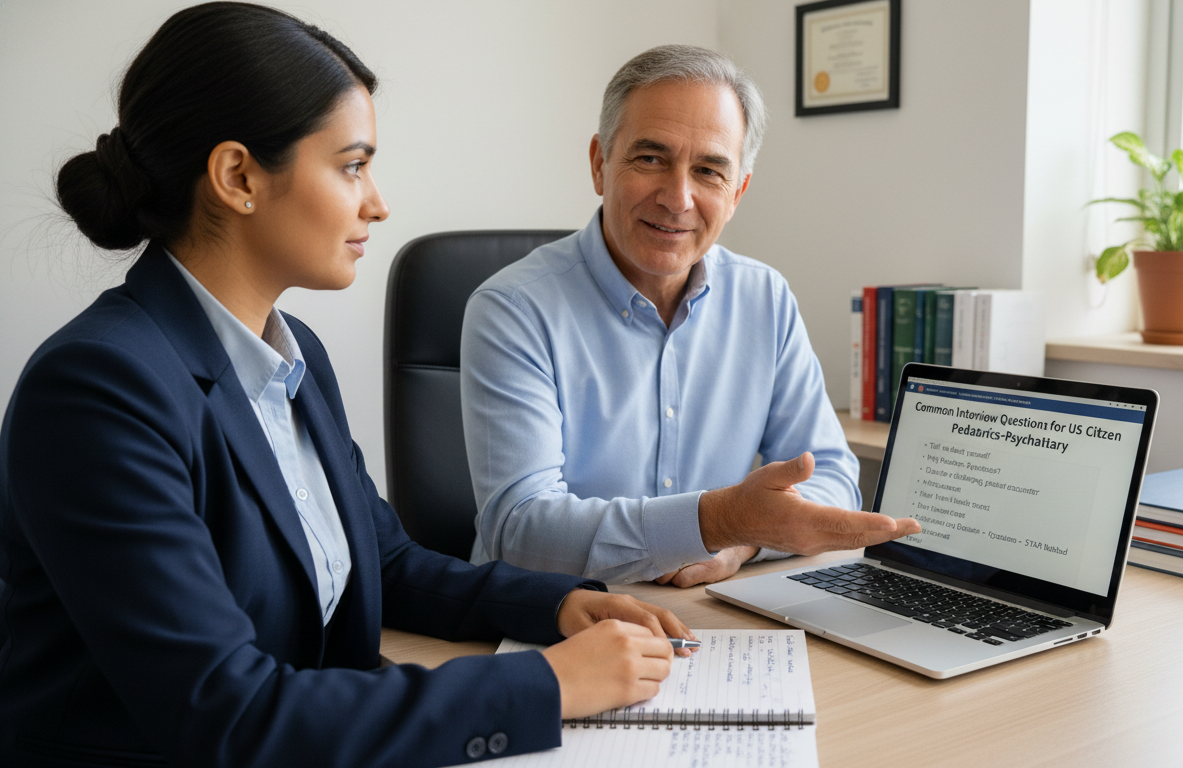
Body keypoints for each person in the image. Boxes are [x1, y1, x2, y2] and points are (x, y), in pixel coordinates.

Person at [0, 5, 694, 766]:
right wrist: (546, 686)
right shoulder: (99, 390)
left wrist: (557, 604)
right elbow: (224, 714)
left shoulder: (295, 359)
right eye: (353, 165)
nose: (378, 202)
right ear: (238, 177)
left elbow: (386, 563)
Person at [462, 45, 920, 587]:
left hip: (711, 615)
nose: (678, 198)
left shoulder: (764, 297)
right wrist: (715, 522)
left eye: (709, 171)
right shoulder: (513, 308)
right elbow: (521, 529)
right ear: (599, 164)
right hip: (551, 618)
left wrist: (745, 543)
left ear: (738, 192)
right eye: (651, 159)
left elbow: (836, 477)